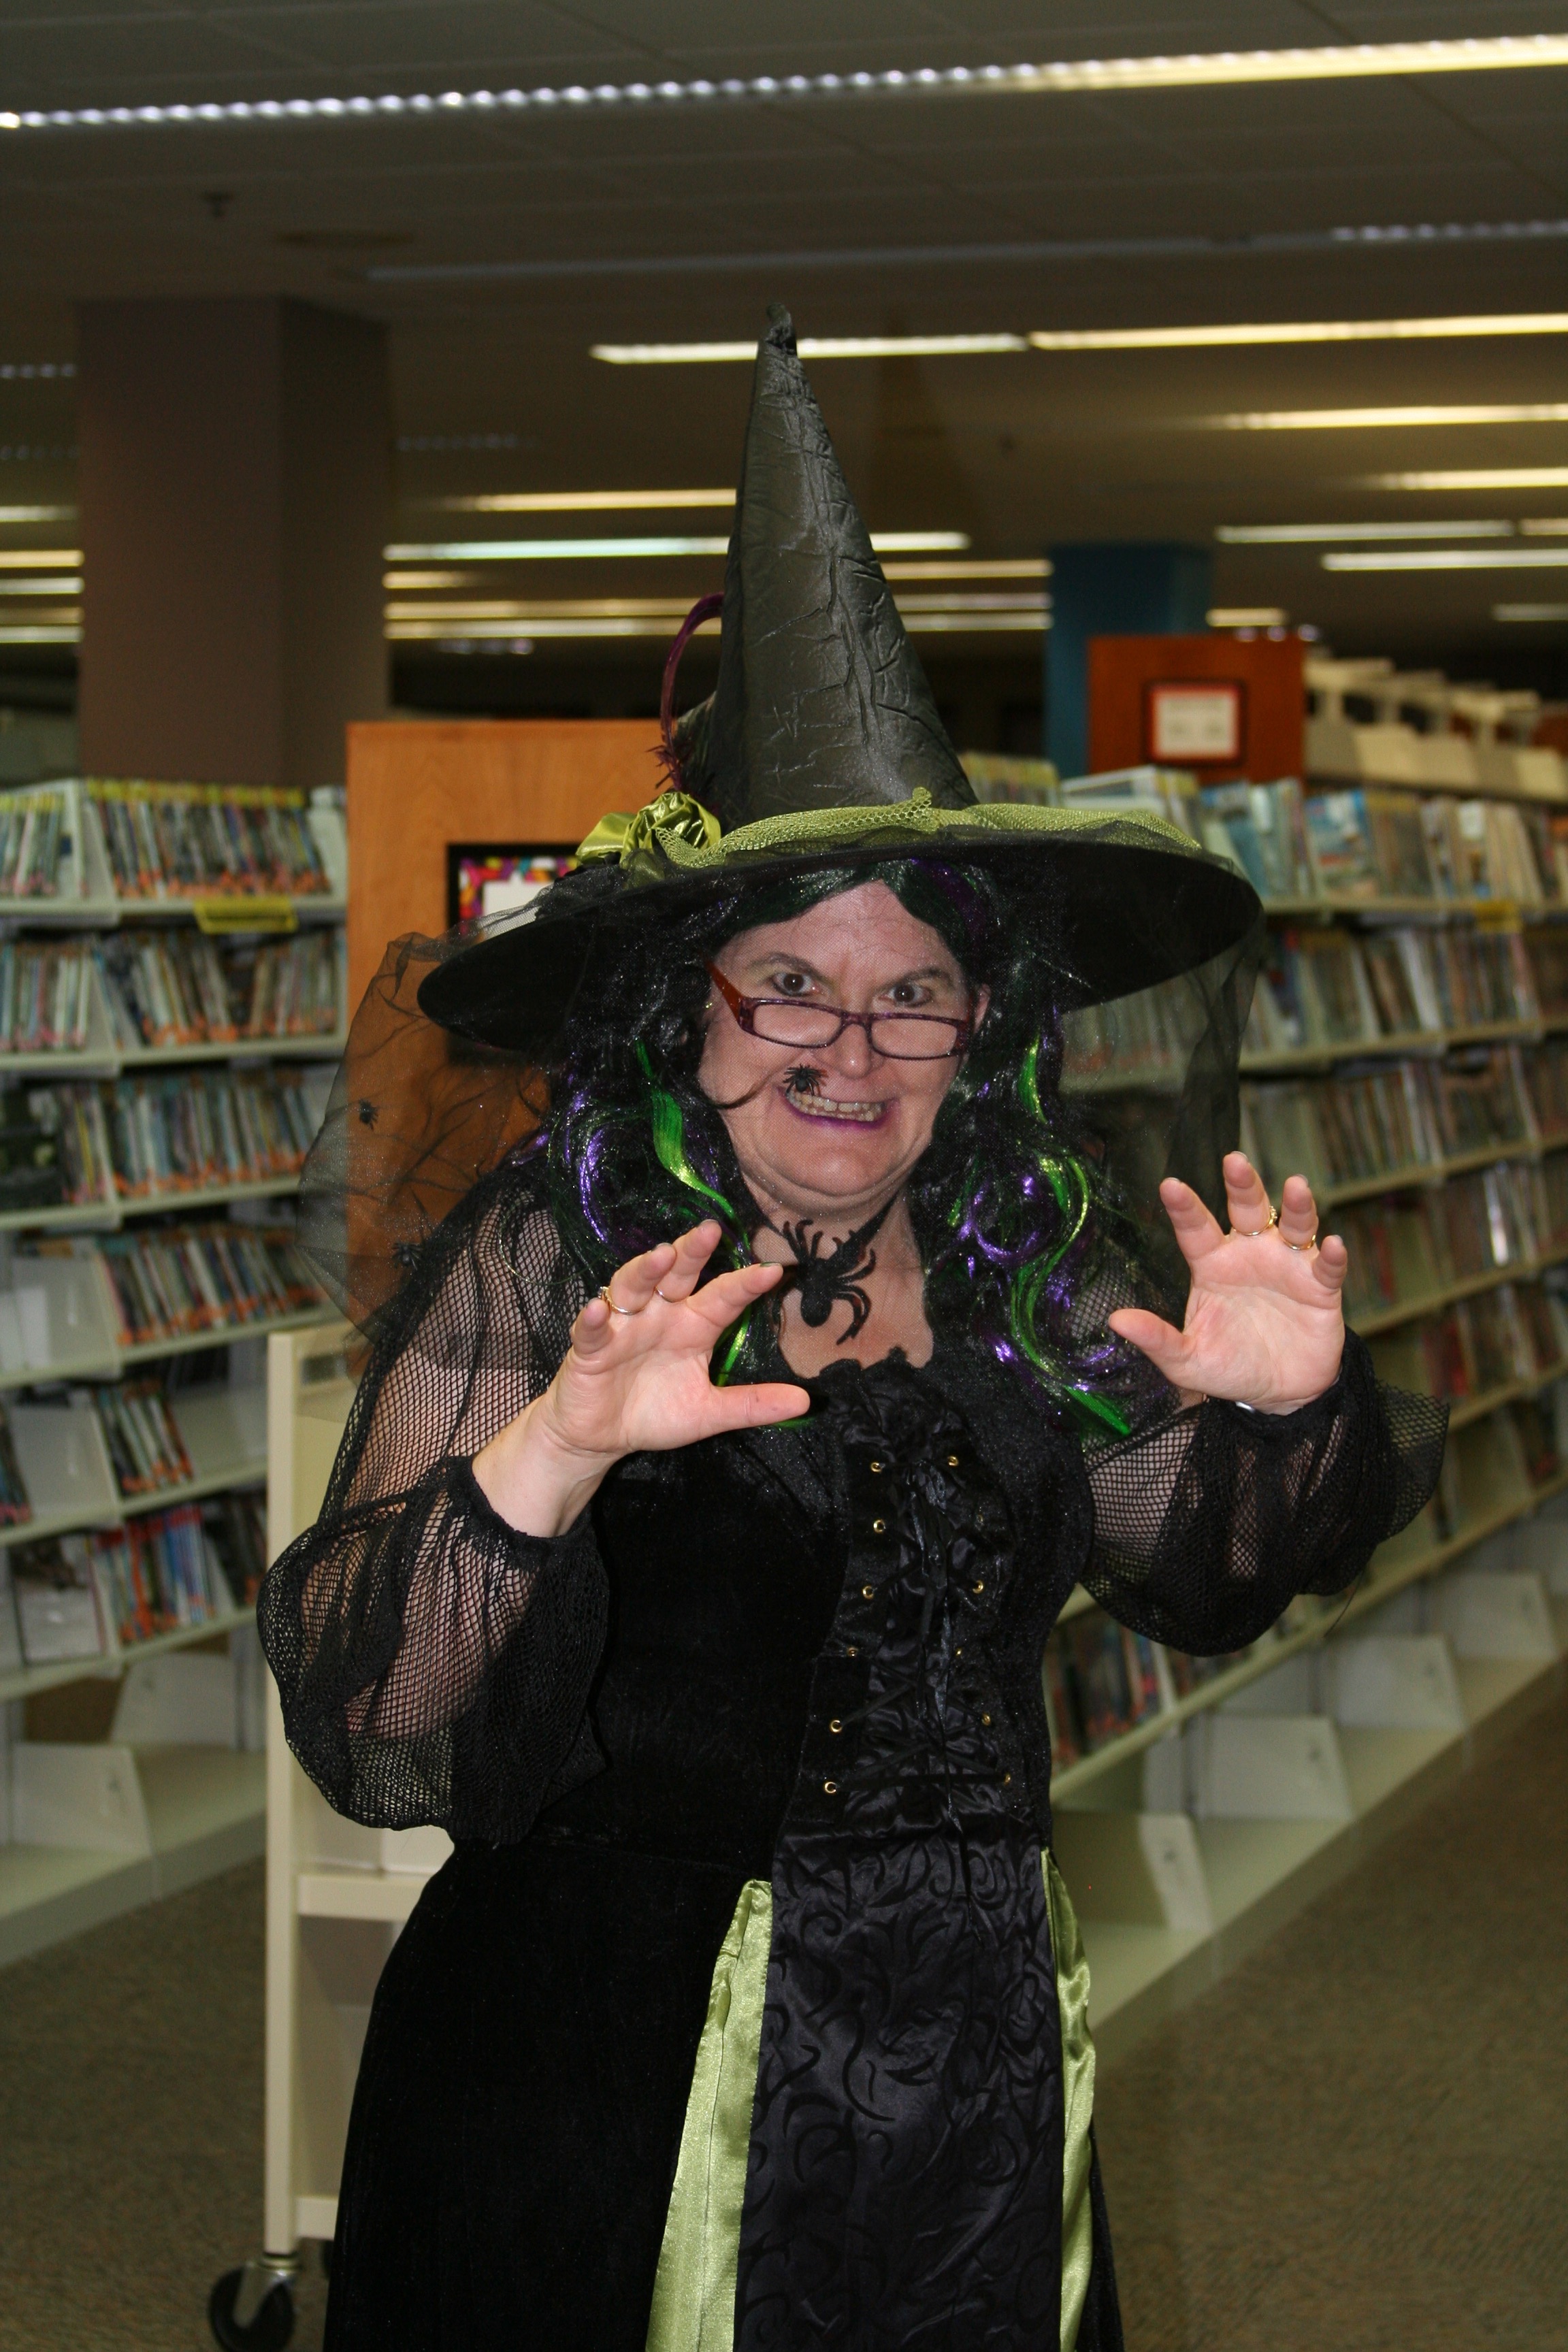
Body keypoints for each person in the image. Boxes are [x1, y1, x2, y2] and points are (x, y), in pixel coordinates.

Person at [260, 308, 1446, 2352]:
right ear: (683, 1008)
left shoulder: (1028, 1255)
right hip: (593, 2072)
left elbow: (1203, 1578)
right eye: (787, 985)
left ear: (976, 1034)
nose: (853, 1044)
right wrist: (548, 1460)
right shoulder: (563, 1257)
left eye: (915, 996)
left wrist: (1279, 1420)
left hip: (961, 2050)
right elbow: (375, 1728)